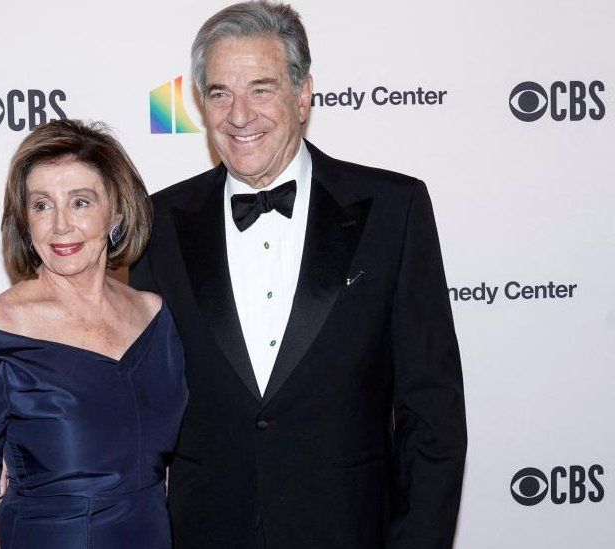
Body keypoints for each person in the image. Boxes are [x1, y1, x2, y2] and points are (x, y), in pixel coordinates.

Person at [130, 2, 467, 548]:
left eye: (260, 89)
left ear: (303, 94)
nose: (240, 115)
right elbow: (136, 405)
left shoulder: (393, 209)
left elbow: (432, 413)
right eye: (220, 93)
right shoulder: (158, 223)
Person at [0, 119, 187, 549]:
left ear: (115, 213)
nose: (60, 226)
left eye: (80, 202)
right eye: (41, 205)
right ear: (25, 222)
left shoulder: (154, 315)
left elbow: (166, 466)